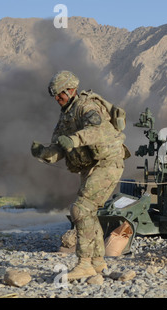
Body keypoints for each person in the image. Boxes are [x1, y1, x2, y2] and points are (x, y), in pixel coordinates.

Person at [31, 70, 129, 280]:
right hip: (90, 166)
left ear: (71, 90)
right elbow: (60, 146)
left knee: (80, 207)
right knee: (89, 212)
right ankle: (97, 263)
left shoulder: (87, 106)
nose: (57, 99)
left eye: (60, 95)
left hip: (108, 162)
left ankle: (83, 263)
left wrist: (74, 140)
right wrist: (44, 153)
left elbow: (98, 131)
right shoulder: (66, 115)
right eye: (55, 96)